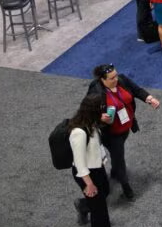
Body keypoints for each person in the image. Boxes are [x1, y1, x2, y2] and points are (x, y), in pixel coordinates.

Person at [88, 64, 160, 202]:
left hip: (125, 128)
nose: (116, 79)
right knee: (119, 158)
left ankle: (115, 172)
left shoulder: (122, 80)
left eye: (116, 75)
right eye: (112, 78)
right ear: (102, 79)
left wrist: (150, 99)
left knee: (117, 155)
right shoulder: (95, 90)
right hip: (110, 133)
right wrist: (99, 117)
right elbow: (87, 110)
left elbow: (137, 90)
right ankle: (126, 186)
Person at [69, 94, 111, 227]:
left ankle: (83, 205)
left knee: (105, 192)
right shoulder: (79, 133)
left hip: (97, 167)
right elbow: (79, 162)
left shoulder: (91, 123)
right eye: (101, 108)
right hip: (87, 173)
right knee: (99, 209)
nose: (103, 110)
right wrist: (89, 184)